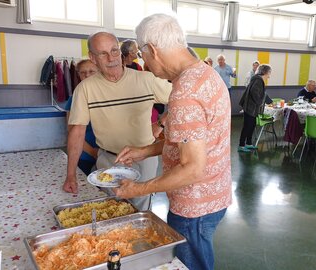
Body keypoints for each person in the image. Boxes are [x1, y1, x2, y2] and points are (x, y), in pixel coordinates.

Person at [114, 14, 231, 270]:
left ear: (152, 50)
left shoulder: (186, 93)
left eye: (143, 56)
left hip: (194, 205)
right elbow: (190, 142)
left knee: (192, 265)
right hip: (214, 194)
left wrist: (138, 189)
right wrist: (145, 151)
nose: (144, 63)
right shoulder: (205, 74)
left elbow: (192, 168)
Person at [64, 32, 172, 211]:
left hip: (144, 159)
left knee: (141, 210)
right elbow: (77, 132)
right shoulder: (85, 89)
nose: (111, 58)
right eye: (103, 53)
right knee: (111, 209)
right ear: (93, 57)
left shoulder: (146, 80)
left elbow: (181, 98)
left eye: (114, 51)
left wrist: (160, 124)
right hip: (108, 159)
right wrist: (71, 175)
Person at [64, 59, 99, 175]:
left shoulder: (107, 95)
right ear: (78, 75)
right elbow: (71, 130)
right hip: (83, 154)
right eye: (83, 72)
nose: (87, 75)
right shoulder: (74, 98)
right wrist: (93, 152)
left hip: (107, 154)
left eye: (91, 71)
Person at [238, 64, 272, 152]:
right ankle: (241, 145)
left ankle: (249, 143)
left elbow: (262, 93)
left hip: (251, 107)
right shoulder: (258, 80)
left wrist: (269, 101)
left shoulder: (258, 79)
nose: (269, 75)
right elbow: (255, 92)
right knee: (247, 126)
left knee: (252, 125)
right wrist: (260, 102)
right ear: (265, 72)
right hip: (250, 107)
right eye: (269, 73)